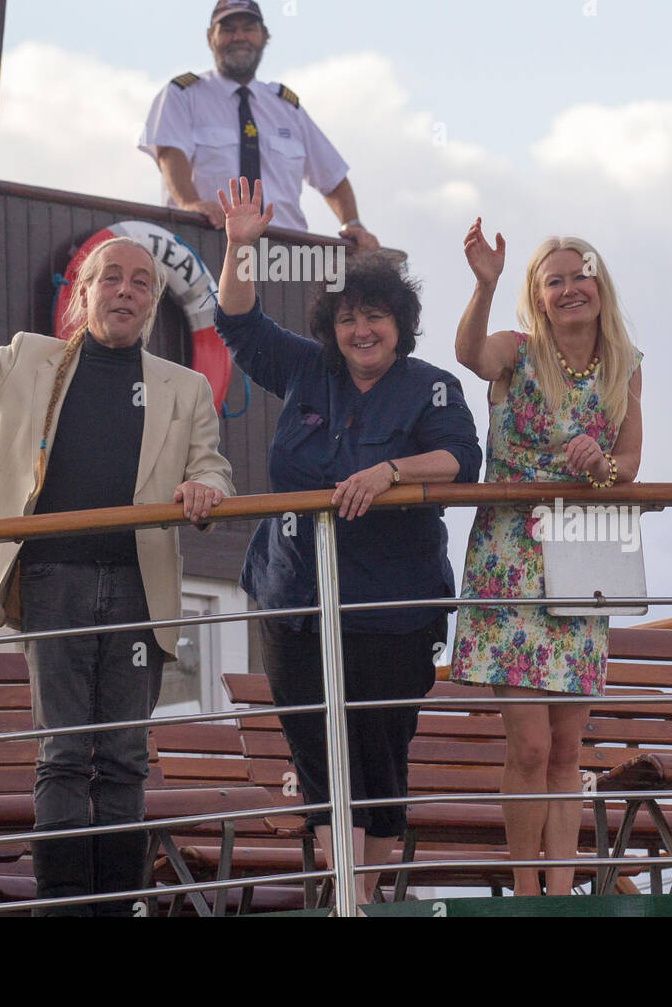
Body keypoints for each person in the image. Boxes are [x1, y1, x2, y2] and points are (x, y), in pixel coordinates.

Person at [0, 213, 234, 915]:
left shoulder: (184, 388)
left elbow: (212, 467)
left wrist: (207, 488)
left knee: (123, 760)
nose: (126, 291)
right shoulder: (26, 360)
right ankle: (65, 909)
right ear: (83, 295)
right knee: (66, 755)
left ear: (152, 305)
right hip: (52, 582)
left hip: (138, 588)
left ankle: (118, 906)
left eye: (141, 283)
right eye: (112, 279)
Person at [213, 177, 481, 902]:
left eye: (376, 319)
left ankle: (374, 897)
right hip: (295, 598)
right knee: (319, 759)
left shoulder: (430, 387)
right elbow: (237, 322)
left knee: (379, 757)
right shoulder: (307, 368)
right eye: (348, 320)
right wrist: (240, 246)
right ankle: (348, 900)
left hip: (391, 609)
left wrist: (390, 469)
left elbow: (461, 459)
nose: (361, 331)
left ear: (401, 325)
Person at [450, 222, 643, 895]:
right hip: (509, 556)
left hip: (584, 555)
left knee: (566, 749)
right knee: (528, 746)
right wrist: (485, 284)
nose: (569, 288)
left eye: (579, 274)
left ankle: (561, 896)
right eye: (553, 280)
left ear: (600, 284)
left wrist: (604, 469)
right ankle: (527, 896)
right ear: (538, 296)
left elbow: (629, 465)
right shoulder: (518, 353)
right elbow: (469, 352)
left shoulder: (626, 365)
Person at [138, 0, 380, 248]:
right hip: (208, 242)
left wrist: (352, 223)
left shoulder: (287, 107)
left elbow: (333, 176)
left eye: (249, 29)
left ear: (264, 37)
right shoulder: (183, 95)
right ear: (210, 39)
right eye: (228, 30)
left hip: (285, 254)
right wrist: (189, 204)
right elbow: (170, 155)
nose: (239, 37)